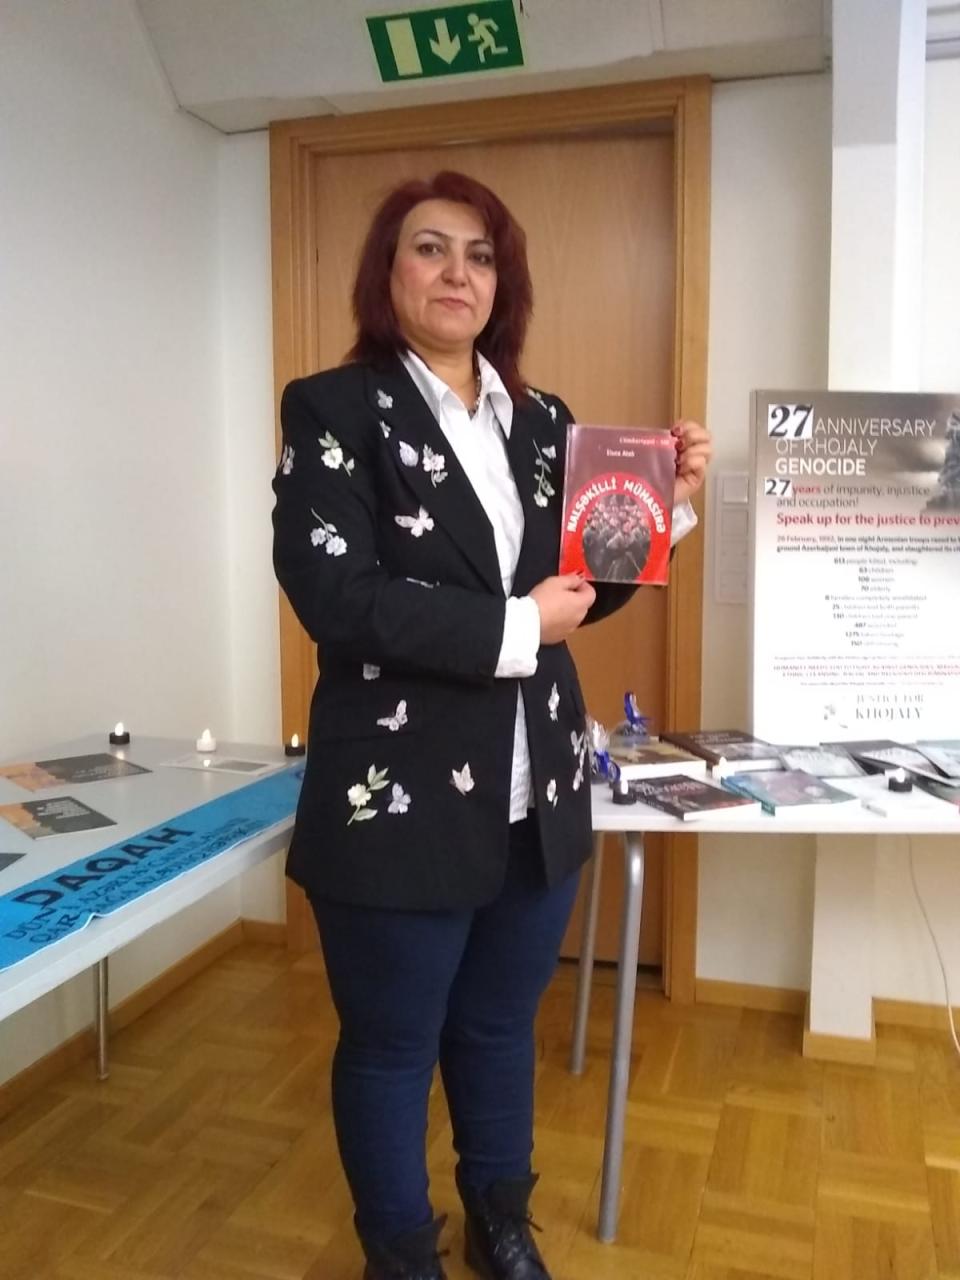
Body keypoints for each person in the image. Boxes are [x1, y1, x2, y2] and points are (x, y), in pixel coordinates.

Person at [272, 170, 712, 1280]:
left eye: (480, 255)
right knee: (391, 1045)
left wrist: (666, 505)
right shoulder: (333, 410)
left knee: (501, 1026)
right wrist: (519, 625)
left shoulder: (545, 420)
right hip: (397, 798)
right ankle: (400, 1256)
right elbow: (339, 597)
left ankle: (500, 1221)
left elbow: (581, 588)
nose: (456, 273)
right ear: (388, 273)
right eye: (429, 248)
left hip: (535, 790)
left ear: (502, 283)